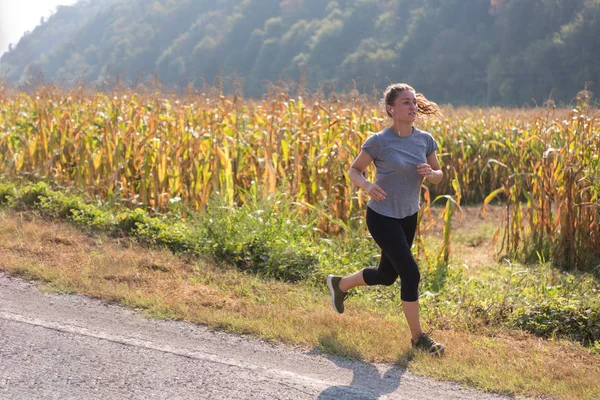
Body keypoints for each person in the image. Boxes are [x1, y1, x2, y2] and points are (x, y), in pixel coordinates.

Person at [327, 83, 445, 356]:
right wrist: (368, 186)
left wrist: (431, 173)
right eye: (406, 102)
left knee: (387, 275)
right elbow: (354, 170)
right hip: (381, 216)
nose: (413, 106)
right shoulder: (379, 141)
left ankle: (340, 284)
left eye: (414, 102)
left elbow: (439, 174)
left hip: (408, 216)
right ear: (392, 109)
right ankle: (418, 339)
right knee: (411, 273)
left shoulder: (425, 140)